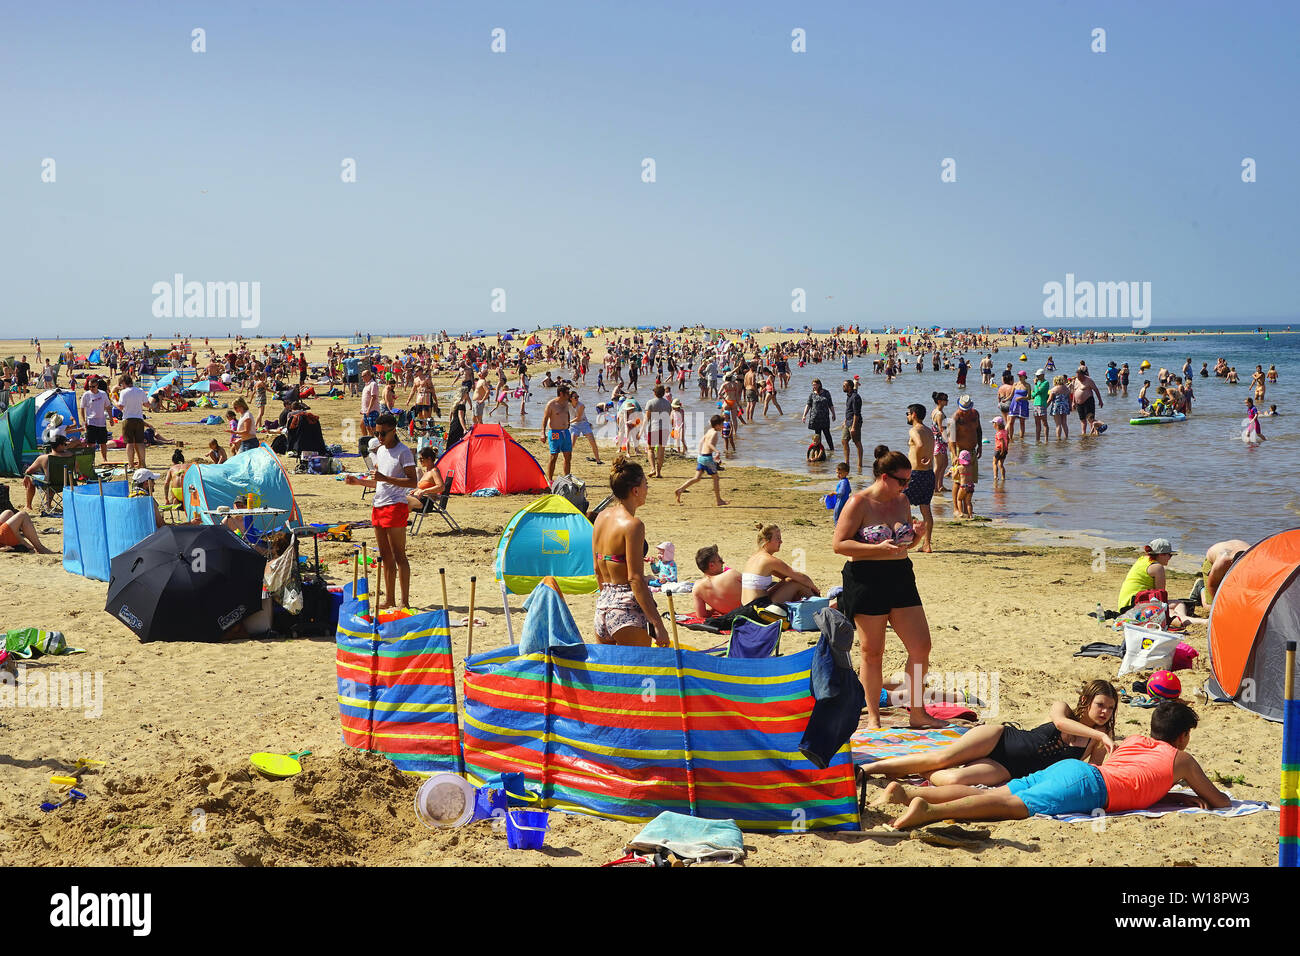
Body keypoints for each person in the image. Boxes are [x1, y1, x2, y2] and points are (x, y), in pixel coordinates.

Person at [888, 700, 1231, 830]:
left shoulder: (1134, 740)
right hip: (1092, 787)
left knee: (1000, 791)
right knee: (1011, 805)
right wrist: (1182, 794)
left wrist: (1173, 796)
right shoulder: (1181, 759)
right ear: (1183, 736)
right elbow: (1220, 802)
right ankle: (927, 812)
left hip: (1079, 772)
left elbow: (1137, 778)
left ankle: (905, 792)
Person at [832, 445, 941, 730]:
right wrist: (876, 547)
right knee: (872, 651)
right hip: (866, 578)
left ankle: (918, 713)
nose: (906, 486)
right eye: (902, 480)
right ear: (884, 477)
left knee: (921, 646)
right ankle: (874, 718)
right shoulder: (859, 502)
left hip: (901, 576)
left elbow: (902, 546)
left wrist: (915, 538)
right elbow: (839, 544)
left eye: (909, 481)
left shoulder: (903, 501)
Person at [866, 680, 1118, 788]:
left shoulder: (1097, 740)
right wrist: (1101, 735)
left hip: (1012, 769)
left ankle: (915, 771)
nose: (1105, 712)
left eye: (1110, 708)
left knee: (953, 779)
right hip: (1000, 738)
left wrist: (1102, 739)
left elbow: (1090, 773)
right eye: (1100, 705)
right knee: (940, 759)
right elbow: (1061, 724)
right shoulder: (1063, 708)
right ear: (1086, 700)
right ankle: (868, 770)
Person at [590, 457, 668, 646]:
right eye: (645, 484)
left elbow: (597, 570)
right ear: (635, 490)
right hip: (626, 613)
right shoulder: (633, 525)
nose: (647, 489)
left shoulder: (601, 517)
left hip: (602, 609)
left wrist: (609, 601)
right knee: (639, 673)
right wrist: (657, 623)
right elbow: (634, 579)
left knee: (610, 673)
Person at [343, 413, 417, 609]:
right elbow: (378, 482)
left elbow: (413, 482)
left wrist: (386, 478)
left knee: (399, 555)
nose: (380, 437)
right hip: (379, 505)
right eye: (377, 433)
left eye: (383, 433)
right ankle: (390, 599)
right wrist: (358, 482)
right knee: (385, 556)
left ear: (393, 431)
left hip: (396, 505)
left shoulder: (404, 452)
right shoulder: (380, 450)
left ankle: (404, 601)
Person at [740, 524, 820, 606]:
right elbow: (802, 578)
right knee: (797, 583)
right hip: (759, 607)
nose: (781, 542)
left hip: (748, 605)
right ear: (766, 540)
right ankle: (819, 607)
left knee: (792, 580)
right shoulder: (768, 560)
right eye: (778, 538)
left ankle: (817, 605)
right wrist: (815, 588)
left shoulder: (753, 558)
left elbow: (787, 577)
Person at [675, 413, 727, 506]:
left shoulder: (710, 430)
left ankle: (680, 490)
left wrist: (699, 453)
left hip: (701, 457)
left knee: (697, 478)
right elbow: (709, 443)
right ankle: (719, 500)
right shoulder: (714, 432)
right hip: (707, 458)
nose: (723, 426)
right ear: (717, 425)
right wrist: (717, 452)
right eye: (722, 424)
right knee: (716, 478)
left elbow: (701, 441)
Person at [1117, 537, 1175, 614]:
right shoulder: (1157, 567)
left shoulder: (1142, 559)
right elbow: (1161, 595)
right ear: (1161, 555)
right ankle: (1187, 620)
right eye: (1170, 555)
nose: (1170, 558)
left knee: (1178, 604)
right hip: (1134, 605)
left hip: (1124, 604)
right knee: (1175, 608)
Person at [948, 394, 980, 517]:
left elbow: (979, 430)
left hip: (972, 450)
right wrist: (955, 455)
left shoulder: (975, 414)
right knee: (957, 481)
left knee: (969, 480)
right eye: (963, 409)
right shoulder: (956, 417)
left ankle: (967, 508)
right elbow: (951, 438)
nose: (965, 412)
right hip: (959, 452)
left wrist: (980, 446)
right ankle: (956, 508)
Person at [21, 435, 71, 511]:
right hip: (67, 484)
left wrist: (26, 476)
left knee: (33, 479)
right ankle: (48, 504)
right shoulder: (71, 455)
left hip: (50, 484)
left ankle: (28, 506)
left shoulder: (43, 458)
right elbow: (76, 469)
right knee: (53, 477)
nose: (66, 446)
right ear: (60, 445)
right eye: (65, 444)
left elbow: (28, 471)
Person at [692, 544, 744, 618]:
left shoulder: (697, 587)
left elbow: (701, 615)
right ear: (711, 566)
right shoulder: (732, 574)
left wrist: (714, 609)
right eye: (720, 560)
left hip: (728, 619)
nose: (723, 563)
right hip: (747, 615)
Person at [540, 384, 574, 481]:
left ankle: (567, 478)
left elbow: (567, 414)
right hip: (555, 432)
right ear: (561, 393)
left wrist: (568, 424)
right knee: (554, 456)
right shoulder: (551, 404)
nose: (569, 395)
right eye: (567, 393)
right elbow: (545, 419)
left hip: (565, 432)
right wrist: (543, 433)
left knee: (568, 456)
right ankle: (550, 480)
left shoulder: (567, 403)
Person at [115, 374, 148, 471]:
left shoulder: (124, 392)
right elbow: (146, 404)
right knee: (140, 442)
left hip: (128, 419)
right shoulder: (140, 391)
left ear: (124, 383)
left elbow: (120, 407)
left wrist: (114, 400)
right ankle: (142, 463)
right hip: (139, 418)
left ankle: (131, 464)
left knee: (129, 443)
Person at [79, 376, 111, 462]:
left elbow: (108, 406)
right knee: (90, 443)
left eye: (93, 386)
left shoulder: (103, 394)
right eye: (90, 387)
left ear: (97, 386)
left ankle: (104, 459)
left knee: (103, 443)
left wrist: (111, 418)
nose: (91, 388)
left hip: (101, 422)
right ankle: (91, 460)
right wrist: (84, 421)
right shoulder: (86, 395)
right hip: (91, 422)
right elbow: (82, 408)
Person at [405, 445, 445, 511]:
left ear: (429, 459)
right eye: (419, 459)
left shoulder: (434, 471)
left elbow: (441, 487)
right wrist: (416, 490)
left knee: (401, 501)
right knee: (399, 500)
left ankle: (403, 521)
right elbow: (425, 486)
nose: (420, 461)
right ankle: (404, 521)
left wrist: (424, 491)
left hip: (426, 502)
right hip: (419, 500)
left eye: (421, 459)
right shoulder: (427, 471)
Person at [644, 384, 673, 478]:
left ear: (655, 393)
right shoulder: (668, 403)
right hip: (664, 429)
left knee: (650, 449)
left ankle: (652, 468)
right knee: (661, 451)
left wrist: (642, 430)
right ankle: (658, 472)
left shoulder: (650, 402)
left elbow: (647, 418)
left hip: (653, 428)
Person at [567, 389, 602, 464]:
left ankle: (598, 460)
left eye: (578, 397)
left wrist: (568, 422)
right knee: (571, 444)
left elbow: (578, 418)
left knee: (592, 442)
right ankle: (567, 460)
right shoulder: (568, 405)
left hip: (584, 423)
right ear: (570, 398)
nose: (577, 398)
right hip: (574, 425)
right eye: (575, 397)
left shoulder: (581, 405)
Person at [802, 379, 835, 453]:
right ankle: (819, 451)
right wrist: (804, 415)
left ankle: (832, 450)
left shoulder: (826, 393)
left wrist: (833, 414)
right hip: (815, 418)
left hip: (824, 418)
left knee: (827, 434)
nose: (814, 386)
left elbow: (830, 404)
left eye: (815, 384)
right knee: (817, 436)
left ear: (819, 384)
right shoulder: (812, 394)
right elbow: (808, 405)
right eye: (813, 385)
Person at [1072, 363, 1104, 436]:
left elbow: (1096, 390)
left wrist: (1100, 400)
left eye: (1079, 377)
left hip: (1088, 401)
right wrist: (1073, 402)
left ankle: (1094, 433)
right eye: (1077, 377)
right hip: (1079, 403)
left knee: (1090, 419)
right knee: (1082, 419)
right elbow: (1074, 391)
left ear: (1083, 375)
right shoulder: (1076, 380)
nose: (1078, 378)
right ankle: (1083, 434)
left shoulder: (1089, 380)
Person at [842, 379, 864, 471]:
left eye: (844, 385)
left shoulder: (855, 397)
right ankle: (847, 462)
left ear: (849, 387)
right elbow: (849, 410)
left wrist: (854, 427)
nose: (843, 387)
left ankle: (860, 464)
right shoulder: (849, 395)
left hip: (855, 423)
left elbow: (856, 413)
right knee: (844, 441)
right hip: (848, 422)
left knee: (857, 442)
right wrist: (845, 420)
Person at [930, 392, 949, 494]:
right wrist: (950, 441)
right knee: (938, 465)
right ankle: (934, 487)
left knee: (944, 463)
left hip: (939, 441)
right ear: (939, 401)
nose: (947, 401)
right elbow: (942, 430)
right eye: (945, 399)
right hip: (939, 441)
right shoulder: (939, 414)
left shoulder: (935, 411)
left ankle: (940, 485)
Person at [1047, 374, 1071, 439]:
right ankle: (1066, 437)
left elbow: (1050, 399)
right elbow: (1069, 399)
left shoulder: (1054, 389)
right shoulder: (1066, 388)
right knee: (1064, 423)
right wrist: (1070, 407)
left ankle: (1058, 438)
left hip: (1056, 406)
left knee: (1058, 424)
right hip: (1065, 406)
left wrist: (1045, 407)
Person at [359, 368, 379, 437]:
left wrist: (368, 410)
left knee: (373, 428)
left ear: (368, 375)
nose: (362, 378)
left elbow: (373, 398)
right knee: (367, 427)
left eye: (363, 376)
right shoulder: (366, 385)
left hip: (372, 410)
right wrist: (363, 409)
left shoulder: (373, 384)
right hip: (366, 411)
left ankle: (376, 442)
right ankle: (370, 441)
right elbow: (365, 398)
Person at [991, 416, 1009, 482]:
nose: (993, 425)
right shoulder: (1005, 431)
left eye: (993, 423)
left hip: (998, 450)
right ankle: (1003, 477)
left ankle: (995, 476)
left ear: (996, 424)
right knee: (1001, 464)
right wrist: (1006, 448)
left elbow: (1002, 442)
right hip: (1005, 450)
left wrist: (1002, 451)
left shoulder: (999, 433)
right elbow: (1008, 439)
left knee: (994, 463)